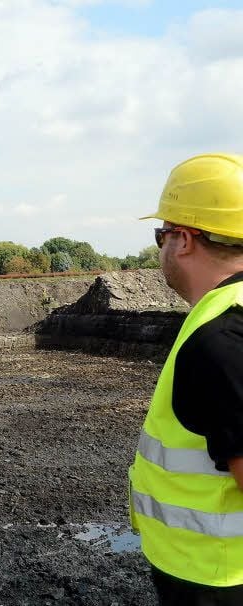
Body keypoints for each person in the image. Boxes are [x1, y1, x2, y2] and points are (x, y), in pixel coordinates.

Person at [131, 153, 243, 604]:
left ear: (185, 239)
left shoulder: (221, 337)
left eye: (161, 233)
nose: (161, 248)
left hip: (217, 578)